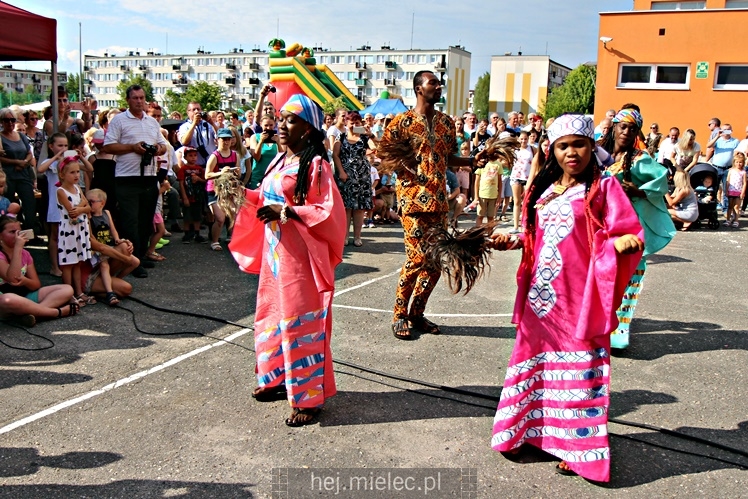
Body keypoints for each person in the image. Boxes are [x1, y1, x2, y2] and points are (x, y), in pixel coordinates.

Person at [489, 114, 644, 483]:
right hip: (540, 300)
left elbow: (629, 231)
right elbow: (535, 238)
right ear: (552, 150)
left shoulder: (605, 188)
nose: (571, 152)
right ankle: (526, 432)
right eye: (563, 145)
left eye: (579, 144)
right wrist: (514, 240)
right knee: (535, 362)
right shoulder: (542, 192)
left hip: (580, 297)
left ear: (593, 147)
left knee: (579, 368)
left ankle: (577, 449)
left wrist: (621, 242)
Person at [218, 94, 345, 427]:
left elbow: (328, 212)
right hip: (275, 255)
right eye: (282, 118)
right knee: (271, 314)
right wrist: (238, 191)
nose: (282, 125)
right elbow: (264, 200)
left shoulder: (315, 165)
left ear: (309, 128)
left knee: (300, 322)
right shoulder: (278, 161)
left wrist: (289, 212)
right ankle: (276, 379)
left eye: (291, 119)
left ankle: (309, 398)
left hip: (301, 260)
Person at [379, 70, 485, 340]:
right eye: (432, 83)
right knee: (416, 259)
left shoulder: (447, 124)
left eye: (439, 83)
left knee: (435, 262)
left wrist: (473, 161)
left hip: (438, 200)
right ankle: (399, 314)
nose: (438, 87)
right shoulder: (400, 123)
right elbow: (383, 154)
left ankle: (417, 312)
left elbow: (448, 159)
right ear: (418, 89)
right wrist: (404, 165)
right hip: (412, 200)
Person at [599, 106, 675, 349]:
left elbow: (661, 180)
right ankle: (595, 324)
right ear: (614, 126)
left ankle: (619, 330)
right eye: (623, 126)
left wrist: (638, 191)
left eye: (633, 129)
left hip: (627, 224)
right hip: (596, 224)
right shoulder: (598, 153)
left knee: (630, 274)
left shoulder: (639, 159)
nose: (627, 132)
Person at [101, 85, 168, 278]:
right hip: (126, 177)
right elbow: (108, 146)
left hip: (148, 175)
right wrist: (132, 147)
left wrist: (156, 149)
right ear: (128, 100)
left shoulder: (152, 122)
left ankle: (140, 255)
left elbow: (163, 145)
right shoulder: (119, 121)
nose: (139, 101)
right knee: (130, 221)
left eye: (142, 98)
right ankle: (131, 260)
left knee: (146, 221)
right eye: (135, 98)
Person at [0, 216, 78, 325]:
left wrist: (25, 281)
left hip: (25, 296)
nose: (17, 236)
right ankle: (56, 312)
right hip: (5, 300)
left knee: (67, 289)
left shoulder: (25, 254)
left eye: (19, 232)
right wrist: (18, 248)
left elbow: (36, 284)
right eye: (12, 232)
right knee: (7, 299)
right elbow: (12, 279)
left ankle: (34, 313)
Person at [87, 188, 140, 305]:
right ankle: (109, 292)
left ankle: (113, 280)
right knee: (105, 263)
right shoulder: (88, 218)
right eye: (87, 201)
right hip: (99, 250)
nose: (88, 204)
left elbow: (113, 230)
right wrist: (125, 257)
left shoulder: (107, 213)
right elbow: (97, 245)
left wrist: (119, 240)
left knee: (135, 261)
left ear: (102, 203)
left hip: (108, 245)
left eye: (91, 202)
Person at [332, 111, 375, 247]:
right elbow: (335, 155)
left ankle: (357, 237)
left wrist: (370, 135)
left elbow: (375, 148)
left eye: (357, 123)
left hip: (362, 176)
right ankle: (345, 237)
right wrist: (341, 172)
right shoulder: (341, 136)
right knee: (346, 208)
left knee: (359, 208)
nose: (354, 125)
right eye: (352, 123)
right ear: (346, 123)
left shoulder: (364, 137)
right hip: (346, 176)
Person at [55, 153, 94, 306]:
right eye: (72, 172)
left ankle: (79, 292)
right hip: (69, 232)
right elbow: (72, 212)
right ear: (62, 174)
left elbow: (87, 205)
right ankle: (68, 293)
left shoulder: (77, 188)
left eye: (78, 171)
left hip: (80, 229)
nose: (76, 175)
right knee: (68, 264)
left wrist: (81, 209)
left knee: (77, 262)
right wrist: (82, 208)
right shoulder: (61, 192)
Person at [37, 133, 69, 277]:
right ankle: (54, 266)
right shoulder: (50, 161)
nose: (63, 148)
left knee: (68, 234)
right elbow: (40, 170)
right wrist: (57, 158)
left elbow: (88, 169)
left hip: (69, 202)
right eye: (60, 145)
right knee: (54, 236)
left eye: (66, 145)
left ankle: (66, 263)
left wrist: (79, 156)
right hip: (55, 204)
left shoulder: (69, 161)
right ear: (51, 146)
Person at [0, 107, 36, 233]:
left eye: (12, 120)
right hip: (8, 176)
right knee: (9, 206)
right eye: (6, 120)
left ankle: (30, 233)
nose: (10, 122)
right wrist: (16, 162)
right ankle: (8, 232)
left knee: (29, 203)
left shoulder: (21, 135)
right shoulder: (0, 138)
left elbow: (29, 153)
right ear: (2, 122)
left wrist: (24, 162)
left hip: (23, 174)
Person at [205, 128, 240, 250]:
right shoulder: (214, 156)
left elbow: (238, 174)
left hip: (229, 189)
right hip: (214, 190)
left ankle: (230, 236)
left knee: (233, 214)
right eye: (223, 139)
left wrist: (235, 172)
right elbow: (207, 175)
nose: (226, 142)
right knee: (220, 218)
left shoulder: (235, 155)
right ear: (217, 140)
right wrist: (221, 173)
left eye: (228, 139)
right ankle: (214, 241)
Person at [707, 124, 739, 214]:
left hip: (728, 169)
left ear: (731, 130)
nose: (726, 132)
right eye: (724, 130)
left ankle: (725, 211)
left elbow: (737, 154)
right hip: (716, 168)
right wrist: (717, 136)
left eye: (728, 130)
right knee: (713, 189)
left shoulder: (735, 141)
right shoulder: (718, 140)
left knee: (726, 190)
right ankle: (712, 209)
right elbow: (709, 146)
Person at [177, 147, 207, 244]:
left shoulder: (199, 169)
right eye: (190, 156)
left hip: (197, 196)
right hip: (188, 196)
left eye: (195, 155)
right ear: (185, 157)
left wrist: (199, 179)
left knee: (197, 215)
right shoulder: (183, 169)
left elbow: (205, 181)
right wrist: (184, 197)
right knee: (187, 216)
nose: (193, 158)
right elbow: (181, 183)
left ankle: (197, 233)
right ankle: (187, 234)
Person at [509, 131, 533, 233]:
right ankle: (515, 226)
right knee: (517, 201)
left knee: (526, 202)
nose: (523, 141)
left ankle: (525, 225)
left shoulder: (532, 149)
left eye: (525, 139)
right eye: (521, 139)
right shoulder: (514, 149)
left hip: (527, 177)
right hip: (516, 176)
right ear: (518, 139)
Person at [178, 101, 216, 167]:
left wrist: (212, 123)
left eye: (198, 109)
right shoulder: (184, 126)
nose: (196, 112)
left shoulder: (208, 125)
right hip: (193, 167)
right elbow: (184, 141)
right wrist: (194, 124)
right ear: (188, 112)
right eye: (193, 110)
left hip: (211, 165)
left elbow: (220, 137)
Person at [247, 114, 280, 189]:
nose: (268, 128)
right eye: (266, 125)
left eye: (271, 125)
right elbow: (256, 157)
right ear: (261, 124)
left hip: (273, 176)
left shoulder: (278, 138)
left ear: (274, 124)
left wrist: (278, 142)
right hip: (258, 176)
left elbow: (281, 157)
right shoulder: (255, 137)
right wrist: (261, 141)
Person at [473, 158, 501, 226]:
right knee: (480, 216)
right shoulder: (482, 163)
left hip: (493, 195)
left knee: (491, 217)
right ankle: (478, 234)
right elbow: (476, 182)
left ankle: (489, 234)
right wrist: (476, 197)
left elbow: (500, 182)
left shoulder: (498, 164)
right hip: (482, 195)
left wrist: (499, 196)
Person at [724, 152, 746, 227]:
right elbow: (727, 181)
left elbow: (744, 183)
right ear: (734, 162)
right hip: (731, 191)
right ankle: (728, 219)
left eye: (740, 162)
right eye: (737, 162)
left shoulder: (743, 172)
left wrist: (742, 192)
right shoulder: (731, 171)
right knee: (730, 206)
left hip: (738, 192)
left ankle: (736, 220)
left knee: (736, 207)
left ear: (743, 163)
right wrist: (726, 190)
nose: (739, 164)